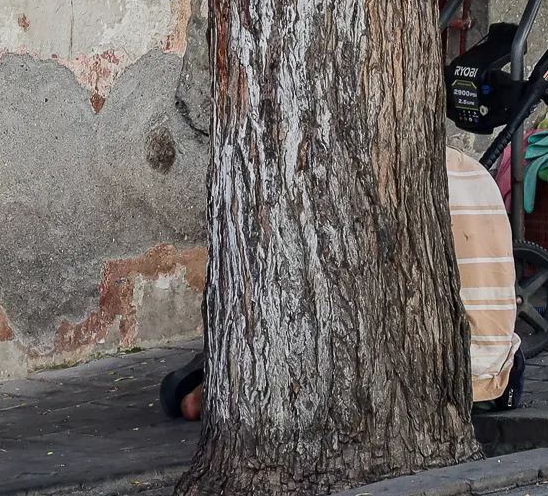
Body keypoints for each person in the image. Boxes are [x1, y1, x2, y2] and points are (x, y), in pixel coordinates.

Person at [164, 144, 523, 421]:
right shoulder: (473, 170)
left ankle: (211, 384)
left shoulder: (370, 178)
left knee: (184, 392)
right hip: (492, 374)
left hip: (416, 378)